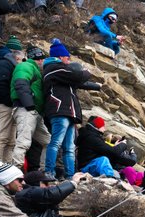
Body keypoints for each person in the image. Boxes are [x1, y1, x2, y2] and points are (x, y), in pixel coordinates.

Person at [42, 39, 101, 180]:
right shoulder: (53, 68)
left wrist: (97, 86)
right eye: (67, 57)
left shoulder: (61, 73)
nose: (68, 60)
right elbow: (79, 75)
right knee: (56, 143)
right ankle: (49, 173)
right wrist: (85, 70)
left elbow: (79, 82)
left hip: (68, 112)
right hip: (59, 110)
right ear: (60, 57)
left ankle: (70, 176)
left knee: (69, 148)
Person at [10, 45, 50, 169]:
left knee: (48, 141)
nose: (43, 61)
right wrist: (29, 105)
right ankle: (15, 173)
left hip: (34, 112)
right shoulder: (26, 65)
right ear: (37, 59)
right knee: (23, 141)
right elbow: (20, 83)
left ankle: (43, 171)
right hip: (26, 109)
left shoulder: (36, 71)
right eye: (41, 59)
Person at [0, 36, 22, 162]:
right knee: (3, 136)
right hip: (2, 104)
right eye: (20, 59)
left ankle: (7, 167)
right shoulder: (4, 63)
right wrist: (9, 101)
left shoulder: (2, 62)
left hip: (4, 103)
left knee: (10, 140)